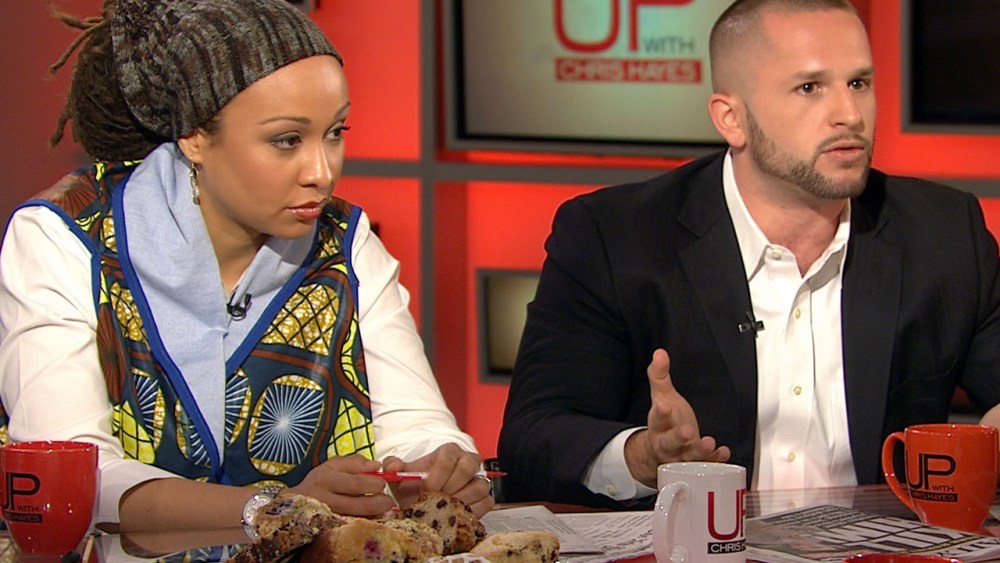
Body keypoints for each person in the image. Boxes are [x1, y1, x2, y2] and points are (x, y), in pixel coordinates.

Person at [0, 0, 493, 534]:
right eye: (287, 141)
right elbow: (71, 470)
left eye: (335, 132)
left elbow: (413, 423)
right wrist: (274, 508)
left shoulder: (346, 241)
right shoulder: (64, 234)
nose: (322, 172)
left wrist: (438, 463)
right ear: (194, 136)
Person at [498, 0, 1000, 509]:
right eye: (810, 88)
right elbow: (534, 437)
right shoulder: (615, 237)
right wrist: (643, 457)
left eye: (858, 83)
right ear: (731, 119)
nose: (850, 114)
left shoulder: (943, 233)